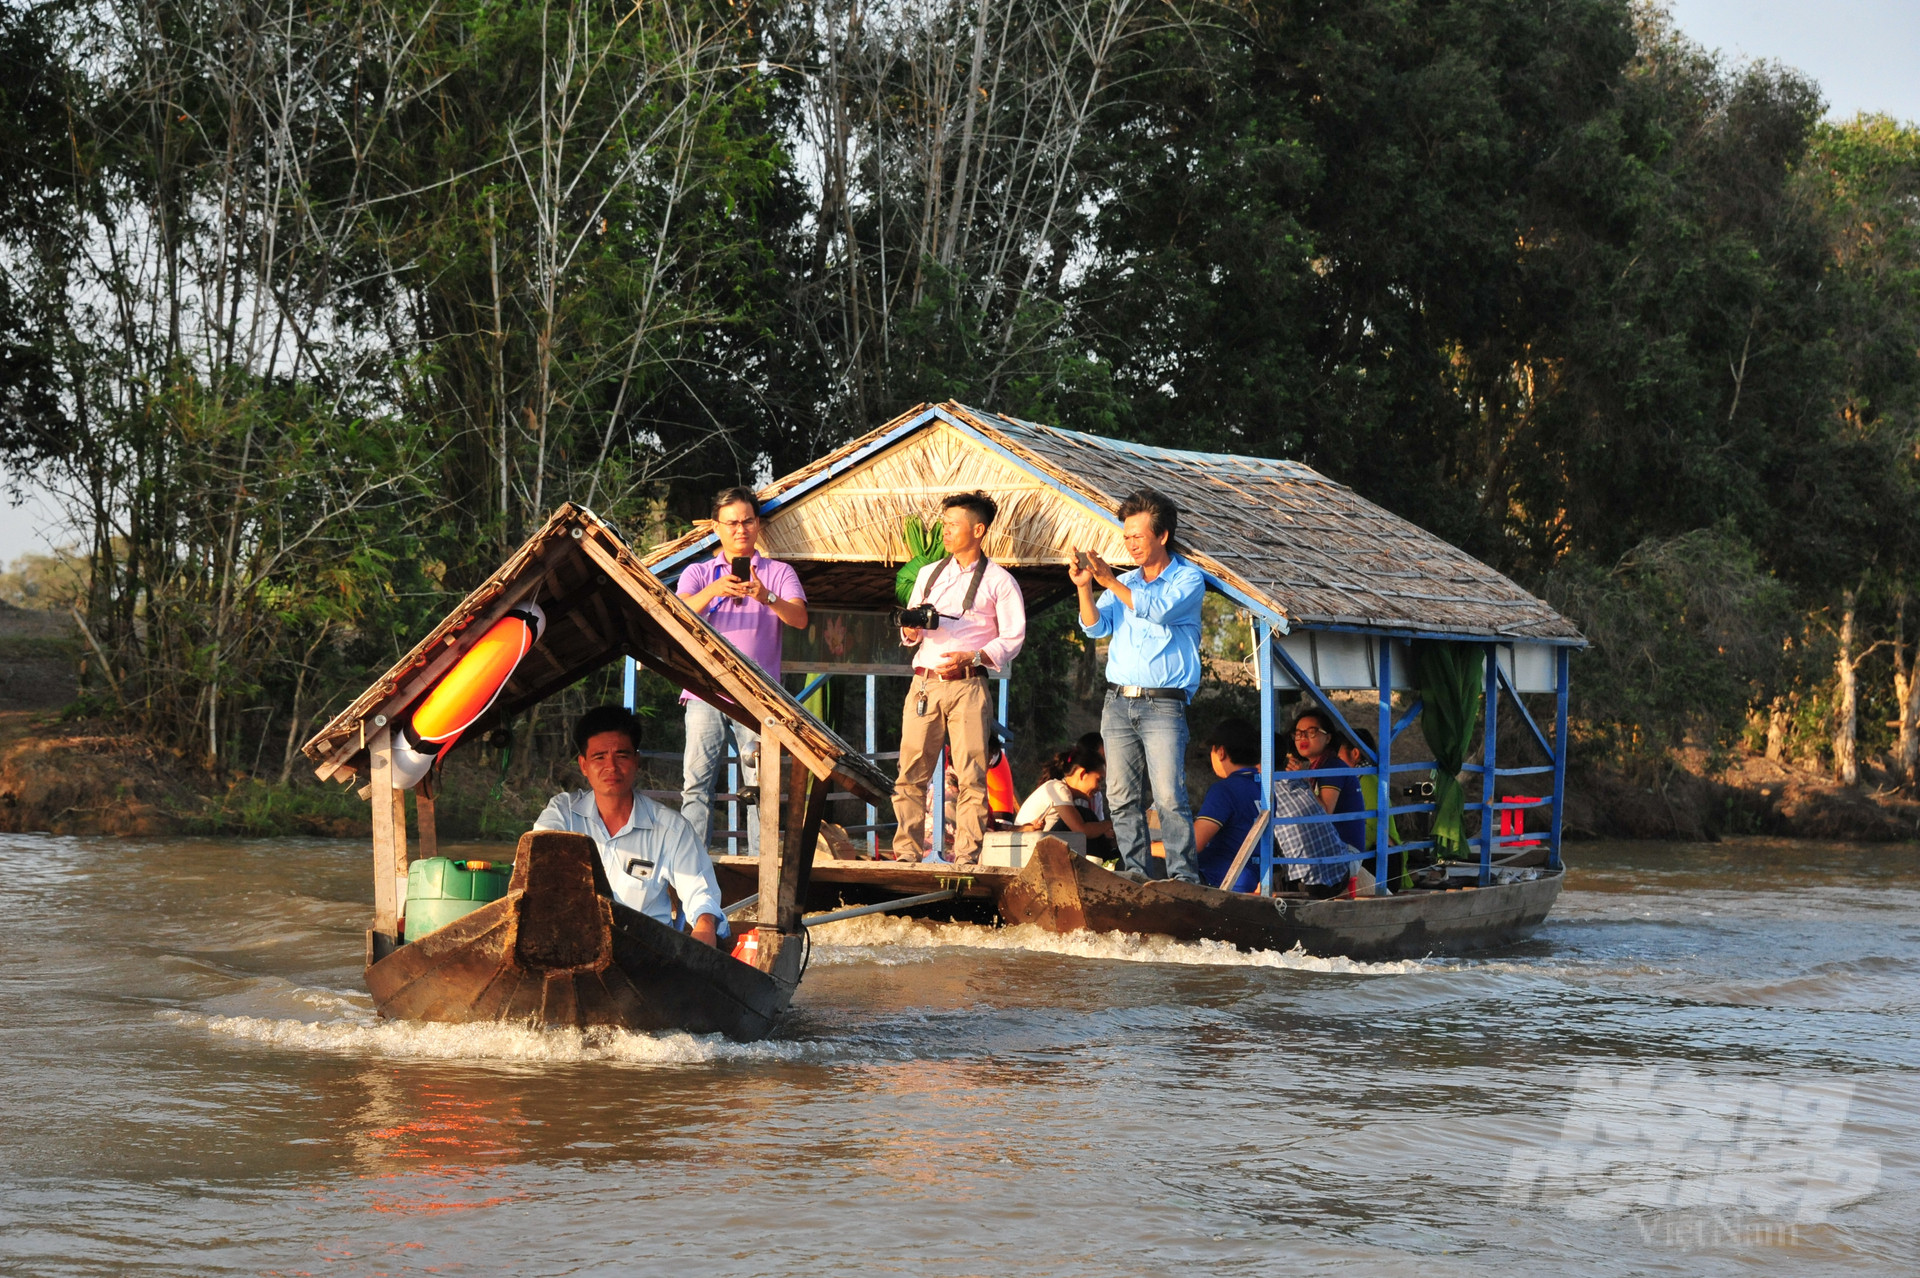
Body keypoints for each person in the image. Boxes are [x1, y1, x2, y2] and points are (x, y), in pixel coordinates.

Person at [1071, 488, 1206, 883]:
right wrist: (1085, 585)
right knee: (1120, 797)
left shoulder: (1187, 579)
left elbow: (1156, 611)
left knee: (1167, 797)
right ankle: (1134, 874)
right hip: (1117, 703)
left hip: (1163, 705)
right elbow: (1095, 626)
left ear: (1162, 536)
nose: (1130, 544)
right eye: (1126, 536)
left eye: (1138, 536)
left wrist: (1107, 580)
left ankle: (1184, 879)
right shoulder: (1125, 580)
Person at [891, 491, 1027, 866]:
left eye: (953, 525)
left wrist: (976, 656)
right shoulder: (927, 573)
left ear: (978, 530)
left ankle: (968, 857)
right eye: (945, 523)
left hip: (969, 684)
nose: (945, 531)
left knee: (971, 775)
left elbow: (1013, 636)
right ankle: (906, 855)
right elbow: (912, 632)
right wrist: (910, 630)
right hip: (925, 681)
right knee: (910, 774)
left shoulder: (999, 580)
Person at [677, 485, 808, 854]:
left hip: (759, 696)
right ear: (715, 527)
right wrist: (716, 589)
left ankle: (761, 864)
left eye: (748, 521)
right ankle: (692, 863)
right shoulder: (698, 572)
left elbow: (799, 619)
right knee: (696, 784)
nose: (740, 529)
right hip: (704, 691)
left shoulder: (778, 572)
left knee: (761, 784)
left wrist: (765, 595)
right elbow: (677, 614)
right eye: (731, 522)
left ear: (758, 525)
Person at [534, 705, 728, 945]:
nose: (612, 767)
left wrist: (705, 926)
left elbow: (701, 895)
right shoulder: (563, 814)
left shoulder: (671, 828)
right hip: (573, 946)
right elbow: (535, 866)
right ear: (583, 765)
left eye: (622, 756)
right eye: (599, 757)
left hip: (645, 955)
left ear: (637, 761)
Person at [1193, 717, 1264, 893]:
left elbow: (1192, 845)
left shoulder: (1224, 790)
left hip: (1221, 878)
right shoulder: (1265, 786)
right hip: (1254, 875)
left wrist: (1150, 846)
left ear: (1221, 752)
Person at [1014, 743, 1115, 855]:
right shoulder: (1058, 788)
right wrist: (1113, 823)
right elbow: (1081, 830)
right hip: (1027, 853)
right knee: (1084, 814)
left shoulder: (1064, 793)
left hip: (1036, 849)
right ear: (1082, 774)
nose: (1099, 788)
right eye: (1098, 780)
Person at [1270, 773, 1361, 898]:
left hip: (1308, 886)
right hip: (1341, 873)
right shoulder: (1298, 781)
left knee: (1263, 854)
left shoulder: (1262, 791)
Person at [1292, 708, 1366, 852]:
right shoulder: (1317, 768)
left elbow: (1324, 812)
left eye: (1311, 732)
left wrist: (1303, 782)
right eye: (1298, 733)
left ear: (1328, 737)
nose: (1303, 737)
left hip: (1344, 849)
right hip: (1330, 845)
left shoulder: (1333, 767)